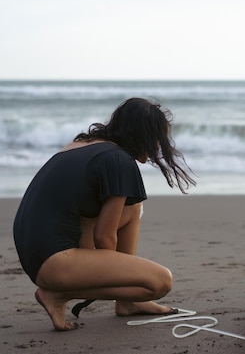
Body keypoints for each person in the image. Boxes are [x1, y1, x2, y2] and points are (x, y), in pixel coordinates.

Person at [13, 97, 196, 331]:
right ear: (143, 135)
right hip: (56, 262)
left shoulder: (83, 145)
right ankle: (56, 295)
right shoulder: (119, 161)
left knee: (132, 207)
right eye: (157, 139)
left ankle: (128, 302)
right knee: (160, 282)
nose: (159, 147)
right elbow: (104, 238)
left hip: (34, 254)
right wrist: (116, 272)